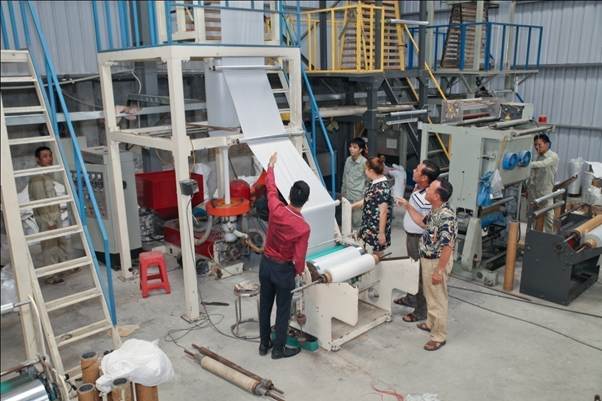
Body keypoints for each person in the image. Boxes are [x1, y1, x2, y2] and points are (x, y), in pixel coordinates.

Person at [259, 152, 311, 359]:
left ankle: (264, 344)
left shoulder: (276, 208)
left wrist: (271, 166)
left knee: (265, 306)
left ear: (289, 195)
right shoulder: (303, 227)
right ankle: (278, 350)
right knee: (282, 310)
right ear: (306, 201)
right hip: (283, 270)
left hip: (265, 265)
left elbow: (270, 188)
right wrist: (299, 272)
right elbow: (300, 257)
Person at [399, 178, 457, 351]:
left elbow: (448, 246)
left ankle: (439, 336)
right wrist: (408, 207)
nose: (427, 191)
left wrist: (439, 270)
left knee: (438, 299)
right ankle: (431, 322)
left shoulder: (446, 216)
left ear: (437, 196)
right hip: (428, 259)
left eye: (430, 189)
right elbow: (422, 223)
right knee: (430, 295)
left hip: (437, 262)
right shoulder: (435, 210)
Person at [394, 160, 440, 324]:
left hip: (419, 239)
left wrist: (407, 206)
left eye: (417, 170)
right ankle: (411, 298)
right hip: (412, 237)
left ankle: (421, 311)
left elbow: (424, 222)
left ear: (424, 178)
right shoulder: (419, 188)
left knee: (420, 274)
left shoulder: (427, 197)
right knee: (412, 269)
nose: (413, 170)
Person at [29, 146, 68, 284]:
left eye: (50, 156)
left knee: (60, 242)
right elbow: (41, 201)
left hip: (54, 215)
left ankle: (63, 267)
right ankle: (50, 276)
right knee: (49, 246)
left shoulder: (46, 174)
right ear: (37, 159)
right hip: (46, 218)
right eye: (45, 156)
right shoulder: (37, 177)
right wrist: (49, 221)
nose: (49, 159)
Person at [352, 157, 393, 257]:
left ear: (371, 171)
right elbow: (368, 199)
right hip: (369, 226)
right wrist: (350, 206)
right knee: (370, 254)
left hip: (376, 229)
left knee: (376, 255)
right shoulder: (374, 183)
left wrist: (381, 233)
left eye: (365, 169)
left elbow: (383, 212)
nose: (365, 172)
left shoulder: (381, 187)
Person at [527, 133, 559, 233]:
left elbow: (543, 164)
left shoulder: (553, 156)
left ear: (547, 144)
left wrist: (527, 164)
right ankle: (532, 234)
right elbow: (532, 174)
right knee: (533, 215)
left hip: (545, 192)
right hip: (534, 192)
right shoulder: (537, 157)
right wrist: (527, 187)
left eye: (539, 145)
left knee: (549, 216)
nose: (537, 147)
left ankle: (550, 236)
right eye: (535, 145)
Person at [341, 137, 368, 229]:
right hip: (347, 196)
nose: (351, 149)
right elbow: (344, 177)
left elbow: (369, 181)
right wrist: (343, 194)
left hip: (358, 198)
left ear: (360, 150)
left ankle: (358, 237)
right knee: (346, 221)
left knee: (357, 222)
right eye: (351, 146)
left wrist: (364, 197)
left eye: (355, 147)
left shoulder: (364, 163)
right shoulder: (348, 160)